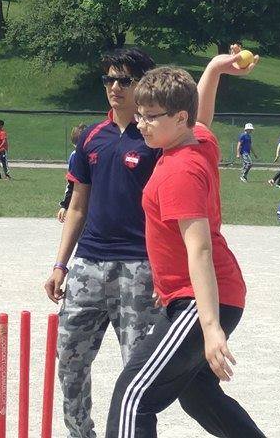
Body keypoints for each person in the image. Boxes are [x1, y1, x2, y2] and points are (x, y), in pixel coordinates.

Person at [105, 49, 265, 438]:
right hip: (200, 295)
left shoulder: (180, 170)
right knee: (197, 394)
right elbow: (203, 115)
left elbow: (200, 249)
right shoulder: (195, 142)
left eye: (150, 117)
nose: (141, 125)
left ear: (178, 118)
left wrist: (210, 328)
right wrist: (214, 69)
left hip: (201, 300)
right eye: (139, 114)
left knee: (133, 395)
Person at [44, 49, 162, 438]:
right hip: (88, 265)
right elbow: (77, 205)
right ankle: (81, 433)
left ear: (142, 84)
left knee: (138, 371)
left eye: (123, 80)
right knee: (69, 362)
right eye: (109, 79)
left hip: (139, 267)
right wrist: (60, 264)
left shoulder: (156, 139)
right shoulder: (92, 137)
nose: (114, 87)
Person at [57, 123, 87, 224]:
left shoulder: (75, 156)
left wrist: (64, 205)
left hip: (83, 203)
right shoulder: (94, 154)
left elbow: (71, 183)